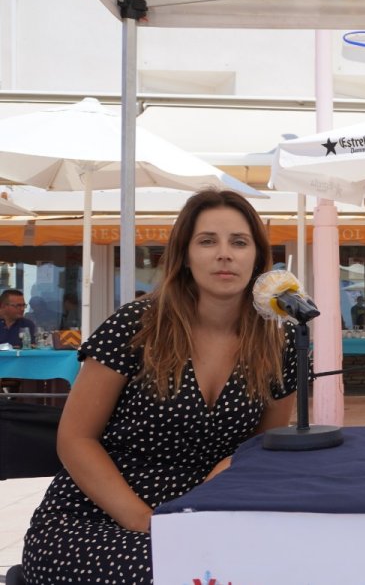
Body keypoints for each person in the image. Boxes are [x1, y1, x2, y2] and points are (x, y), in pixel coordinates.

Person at [20, 189, 299, 585]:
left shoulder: (279, 342)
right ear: (185, 254)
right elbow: (75, 439)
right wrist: (146, 522)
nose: (225, 254)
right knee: (175, 573)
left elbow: (265, 444)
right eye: (207, 241)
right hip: (98, 514)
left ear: (257, 256)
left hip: (207, 511)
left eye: (239, 242)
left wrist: (225, 477)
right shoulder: (136, 325)